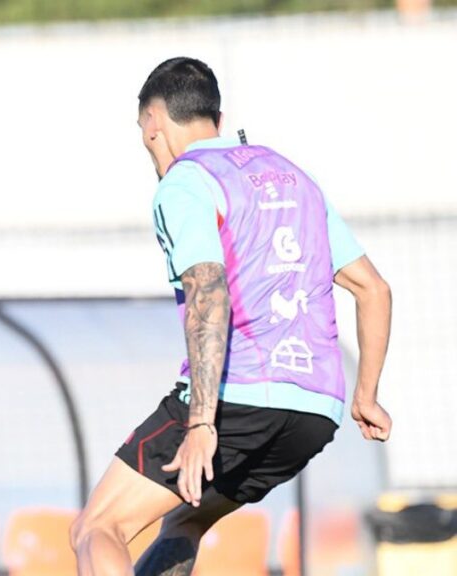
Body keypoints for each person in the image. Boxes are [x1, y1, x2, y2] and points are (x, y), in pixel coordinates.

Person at [71, 57, 393, 575]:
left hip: (235, 398)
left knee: (96, 528)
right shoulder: (294, 177)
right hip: (314, 410)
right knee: (183, 521)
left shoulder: (185, 183)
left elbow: (208, 288)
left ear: (153, 122)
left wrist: (201, 420)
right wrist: (366, 395)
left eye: (143, 131)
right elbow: (373, 289)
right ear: (216, 120)